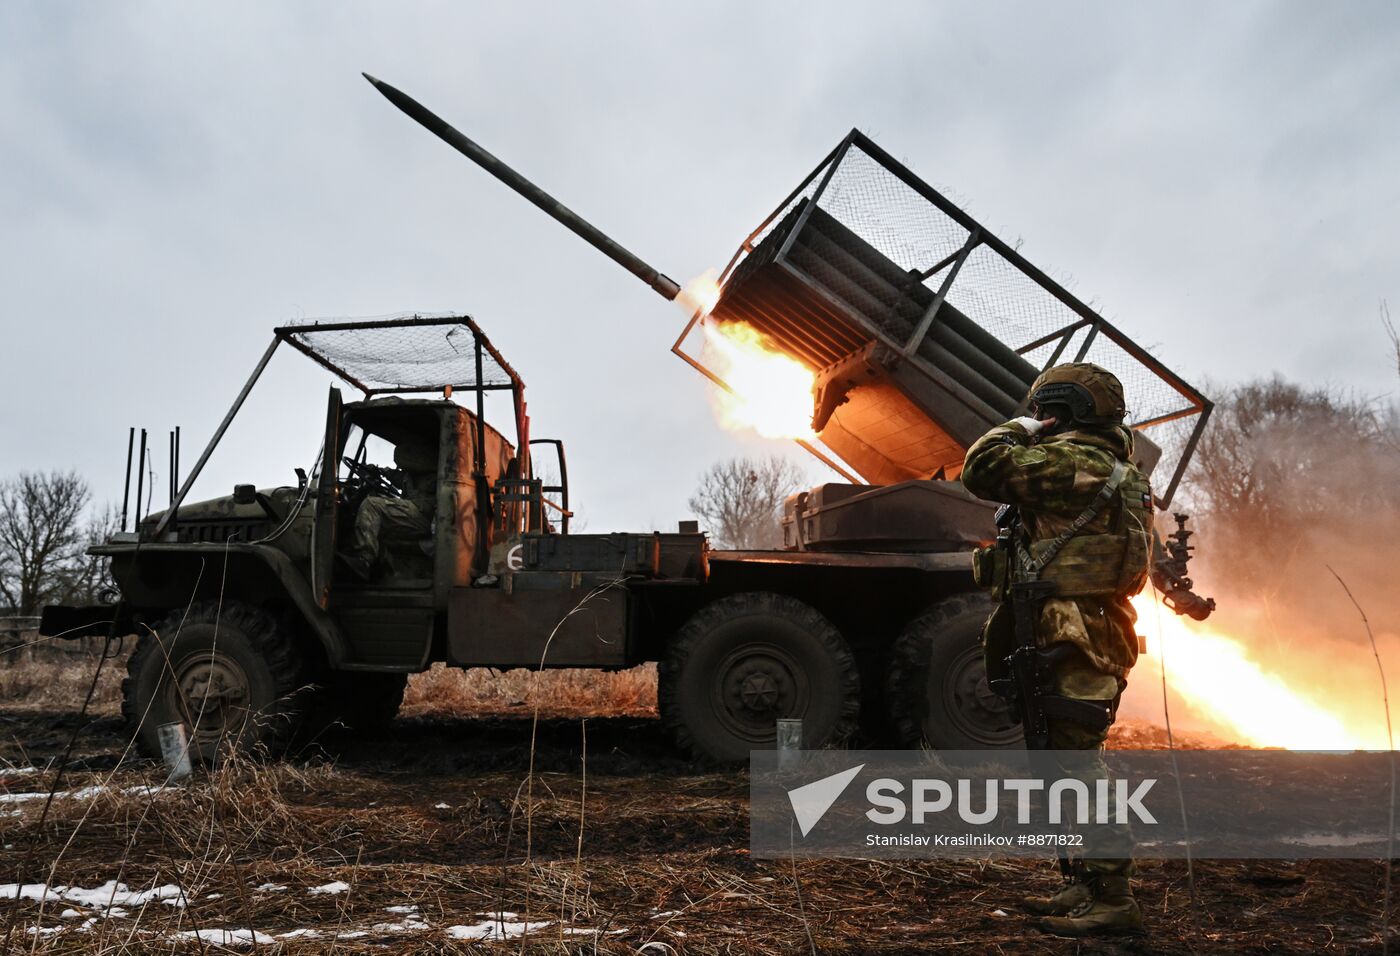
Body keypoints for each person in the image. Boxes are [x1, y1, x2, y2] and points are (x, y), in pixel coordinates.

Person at [960, 362, 1154, 937]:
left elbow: (982, 468)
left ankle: (1114, 899)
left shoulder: (1080, 463)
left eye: (1049, 410)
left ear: (1062, 411)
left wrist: (1019, 427)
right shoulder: (1114, 467)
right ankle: (1085, 882)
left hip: (1076, 632)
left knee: (1077, 767)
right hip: (1074, 627)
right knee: (1058, 761)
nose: (1043, 419)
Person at [344, 440, 437, 580]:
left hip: (422, 517)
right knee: (377, 510)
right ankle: (383, 572)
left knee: (373, 505)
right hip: (416, 515)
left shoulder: (430, 474)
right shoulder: (411, 475)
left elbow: (404, 475)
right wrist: (380, 471)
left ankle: (363, 561)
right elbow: (398, 477)